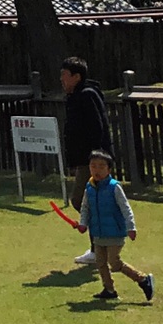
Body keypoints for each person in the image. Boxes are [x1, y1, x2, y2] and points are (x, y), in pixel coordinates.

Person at [73, 150, 154, 304]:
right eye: (93, 166)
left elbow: (125, 208)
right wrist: (83, 224)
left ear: (108, 169)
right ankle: (109, 290)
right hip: (98, 233)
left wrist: (131, 227)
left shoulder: (114, 187)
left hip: (115, 232)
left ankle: (143, 279)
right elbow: (85, 208)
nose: (97, 170)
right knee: (100, 263)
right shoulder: (89, 188)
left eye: (101, 166)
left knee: (114, 262)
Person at [60, 56, 110, 267]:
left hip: (92, 162)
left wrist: (96, 161)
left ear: (76, 76)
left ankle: (101, 247)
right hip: (84, 160)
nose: (61, 80)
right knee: (89, 203)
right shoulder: (75, 96)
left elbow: (97, 128)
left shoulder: (87, 95)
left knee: (81, 200)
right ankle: (98, 248)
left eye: (65, 75)